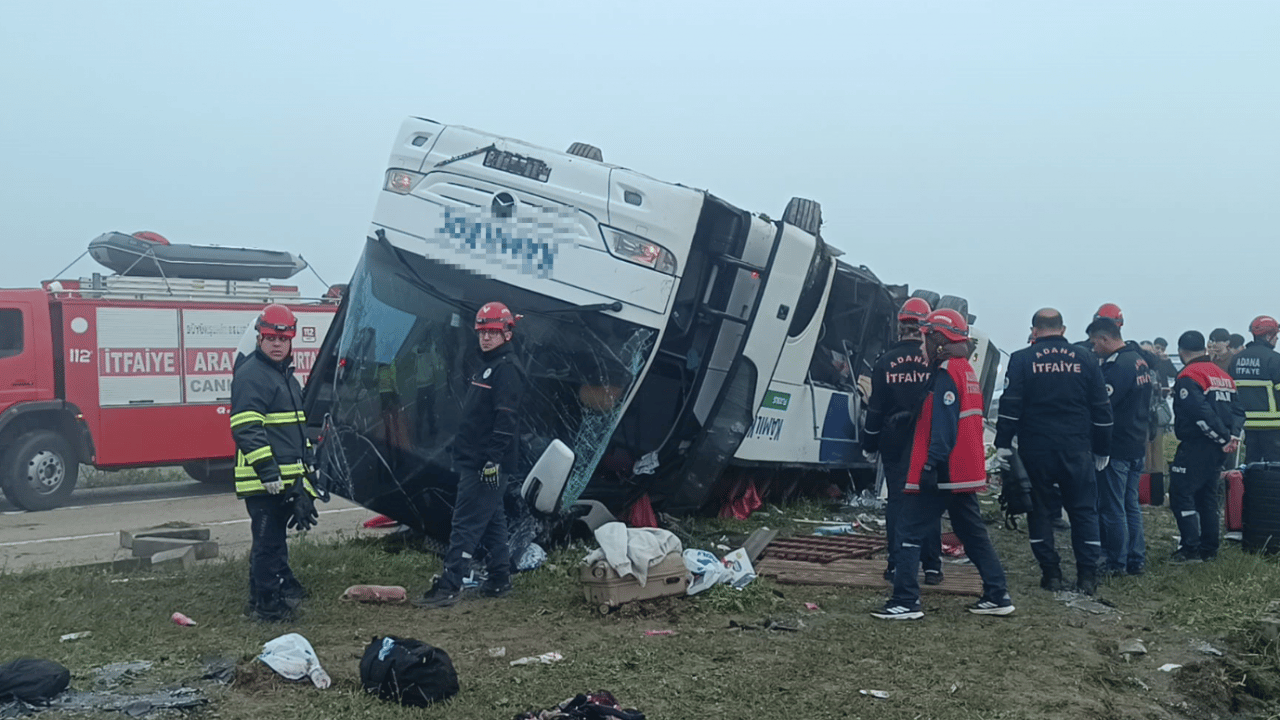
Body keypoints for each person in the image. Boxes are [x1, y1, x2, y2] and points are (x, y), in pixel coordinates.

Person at [872, 309, 1014, 620]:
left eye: (924, 337)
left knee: (909, 530)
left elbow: (944, 427)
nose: (919, 344)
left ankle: (905, 600)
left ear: (938, 338)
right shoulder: (965, 370)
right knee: (972, 533)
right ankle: (997, 593)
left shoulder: (947, 373)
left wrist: (929, 465)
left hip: (944, 471)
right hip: (962, 471)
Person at [415, 301, 526, 608]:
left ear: (507, 333)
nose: (486, 338)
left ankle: (450, 585)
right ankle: (500, 579)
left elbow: (506, 419)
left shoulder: (506, 370)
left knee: (465, 523)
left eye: (492, 332)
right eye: (482, 332)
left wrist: (493, 458)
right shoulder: (488, 365)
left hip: (484, 464)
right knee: (492, 521)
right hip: (478, 459)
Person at [995, 308, 1112, 594]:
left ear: (1034, 331)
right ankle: (1087, 575)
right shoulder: (1086, 358)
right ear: (1063, 329)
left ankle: (1051, 574)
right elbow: (1102, 410)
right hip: (1077, 448)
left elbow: (1010, 408)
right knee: (1084, 511)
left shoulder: (1022, 359)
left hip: (1037, 449)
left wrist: (1002, 444)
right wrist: (1102, 448)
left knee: (1041, 512)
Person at [230, 304, 319, 622]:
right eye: (269, 338)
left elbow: (296, 430)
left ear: (292, 339)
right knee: (268, 545)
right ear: (259, 337)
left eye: (283, 338)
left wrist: (307, 475)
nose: (277, 344)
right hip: (263, 482)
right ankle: (265, 606)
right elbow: (245, 429)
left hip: (285, 479)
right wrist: (267, 472)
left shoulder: (285, 377)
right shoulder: (253, 375)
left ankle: (275, 592)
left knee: (275, 543)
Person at [862, 297, 942, 586]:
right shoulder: (935, 361)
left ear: (900, 325)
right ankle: (932, 566)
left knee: (898, 501)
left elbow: (876, 408)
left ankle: (896, 565)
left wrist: (870, 444)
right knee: (929, 500)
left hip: (894, 440)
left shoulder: (884, 362)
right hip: (929, 439)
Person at [1169, 331, 1244, 562]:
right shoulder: (1223, 376)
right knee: (1207, 497)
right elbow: (1238, 411)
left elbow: (1199, 413)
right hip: (1219, 447)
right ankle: (1209, 549)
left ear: (1181, 352)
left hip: (1197, 444)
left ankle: (1190, 548)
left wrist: (1222, 438)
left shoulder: (1189, 375)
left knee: (1182, 494)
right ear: (1204, 349)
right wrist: (1230, 437)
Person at [1087, 317, 1153, 576]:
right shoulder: (1139, 360)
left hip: (1117, 445)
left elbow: (1103, 405)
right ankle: (1136, 559)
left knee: (1113, 507)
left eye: (1095, 343)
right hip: (1137, 441)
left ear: (1105, 339)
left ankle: (1117, 562)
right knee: (1130, 505)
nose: (1093, 349)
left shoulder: (1118, 366)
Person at [1229, 315, 1280, 463]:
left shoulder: (1237, 359)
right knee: (1275, 469)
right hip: (1274, 425)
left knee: (1251, 465)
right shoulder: (1275, 359)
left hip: (1247, 424)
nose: (1277, 339)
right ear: (1269, 335)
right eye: (1276, 335)